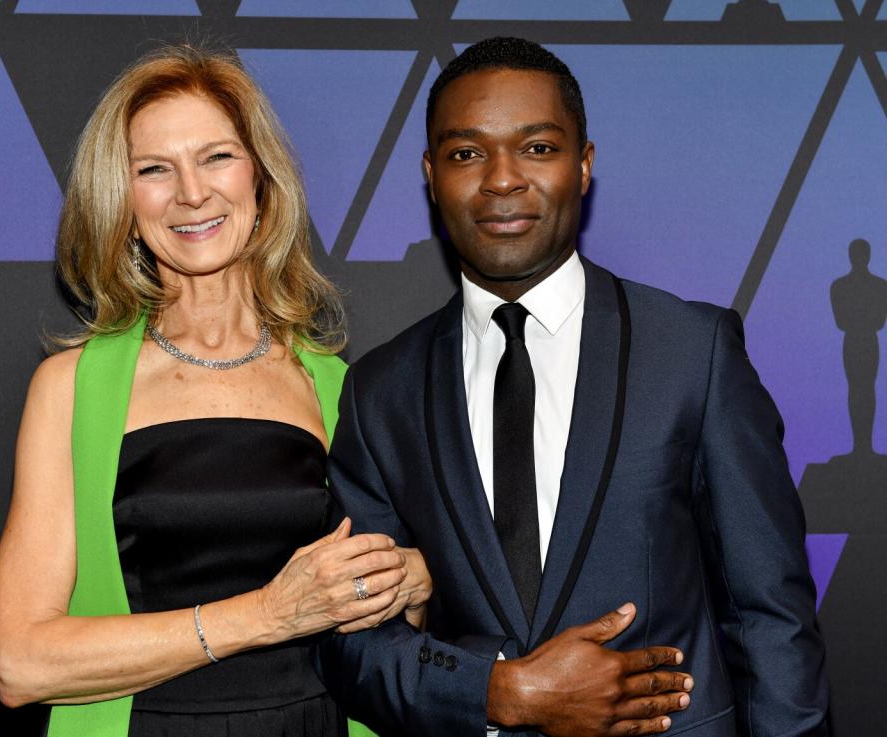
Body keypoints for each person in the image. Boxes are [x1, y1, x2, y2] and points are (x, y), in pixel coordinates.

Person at [319, 37, 829, 737]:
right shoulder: (380, 394)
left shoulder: (692, 353)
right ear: (430, 175)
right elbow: (354, 645)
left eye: (537, 148)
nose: (502, 179)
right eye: (467, 153)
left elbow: (771, 618)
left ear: (583, 166)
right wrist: (500, 691)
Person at [0, 45, 431, 737]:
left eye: (217, 156)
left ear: (262, 177)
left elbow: (387, 630)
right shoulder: (72, 390)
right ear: (124, 201)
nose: (191, 192)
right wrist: (267, 614)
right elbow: (20, 663)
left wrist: (410, 584)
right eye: (154, 169)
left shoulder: (341, 388)